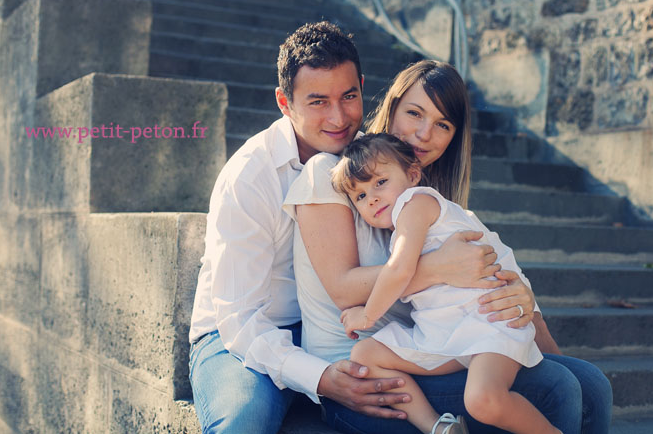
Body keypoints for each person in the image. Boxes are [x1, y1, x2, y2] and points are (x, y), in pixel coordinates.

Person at [187, 22, 511, 434]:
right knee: (244, 424)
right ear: (285, 103)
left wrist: (513, 295)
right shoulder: (250, 176)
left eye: (348, 97)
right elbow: (239, 320)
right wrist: (321, 377)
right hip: (244, 332)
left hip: (333, 326)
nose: (338, 117)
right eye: (318, 102)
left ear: (362, 87)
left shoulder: (375, 165)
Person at [284, 60, 613, 434]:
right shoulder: (337, 176)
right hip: (359, 371)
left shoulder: (424, 199)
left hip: (435, 340)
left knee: (590, 382)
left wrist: (522, 302)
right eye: (414, 113)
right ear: (391, 107)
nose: (425, 134)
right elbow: (345, 290)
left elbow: (495, 264)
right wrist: (441, 267)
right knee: (557, 387)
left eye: (443, 125)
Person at [331, 133, 559, 434]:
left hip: (486, 322)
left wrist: (366, 315)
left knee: (482, 399)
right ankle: (439, 427)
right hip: (444, 334)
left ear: (413, 175)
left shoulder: (416, 204)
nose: (371, 198)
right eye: (359, 196)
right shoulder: (402, 223)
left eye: (380, 182)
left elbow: (398, 272)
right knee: (365, 355)